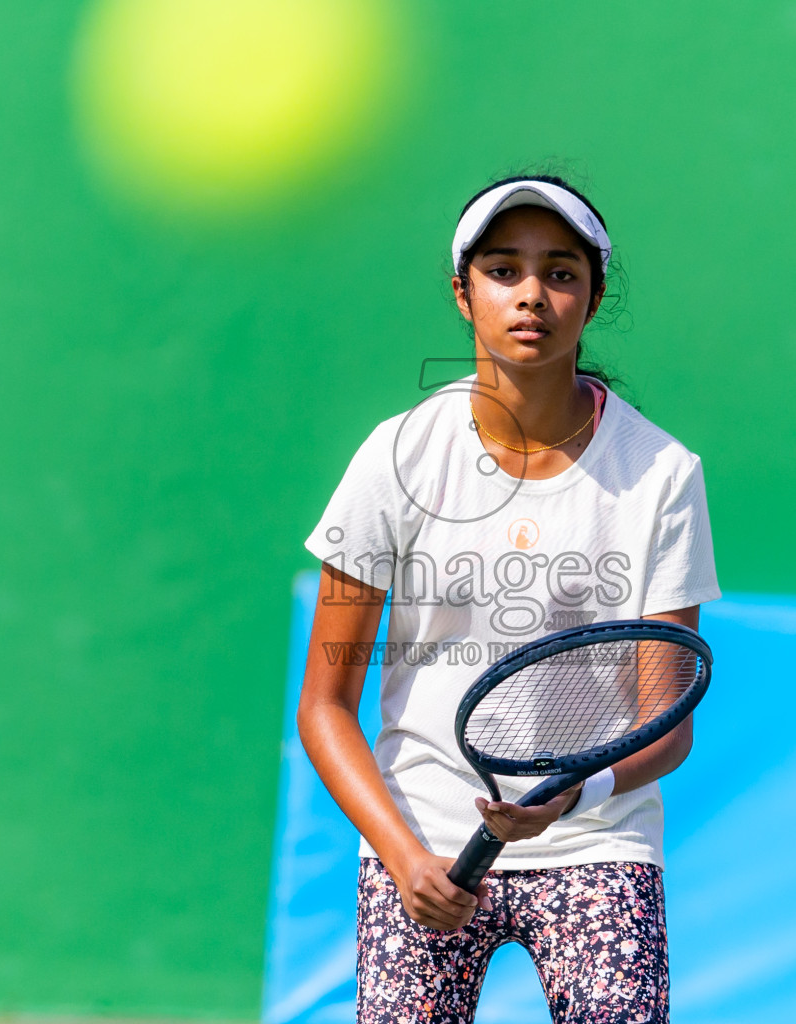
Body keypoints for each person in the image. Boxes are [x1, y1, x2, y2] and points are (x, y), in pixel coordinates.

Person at [298, 174, 720, 1024]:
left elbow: (665, 724)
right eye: (503, 270)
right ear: (463, 294)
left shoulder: (664, 476)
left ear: (593, 298)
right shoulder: (395, 459)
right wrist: (402, 856)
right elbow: (326, 705)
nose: (532, 293)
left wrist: (576, 794)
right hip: (422, 841)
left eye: (561, 272)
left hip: (598, 842)